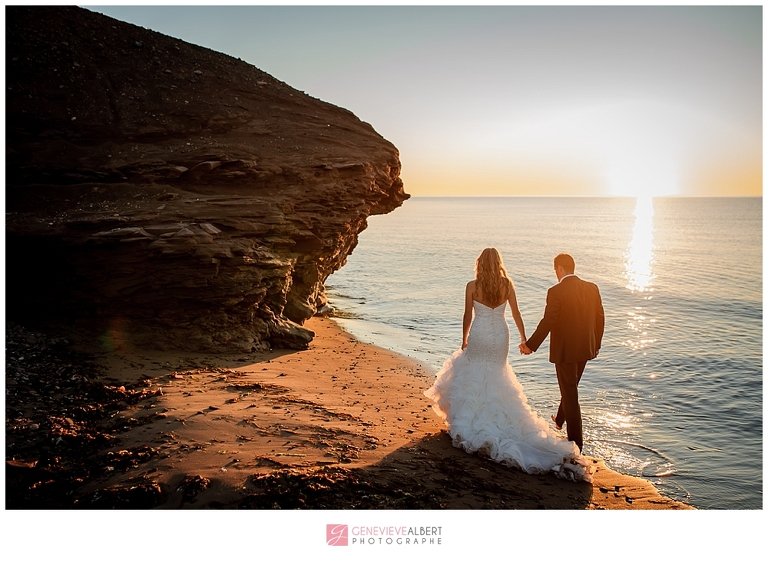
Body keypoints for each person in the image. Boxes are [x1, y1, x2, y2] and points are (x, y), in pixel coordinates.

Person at [424, 248, 592, 482]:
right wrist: (523, 339)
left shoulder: (472, 286)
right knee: (497, 373)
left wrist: (463, 339)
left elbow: (467, 315)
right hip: (501, 335)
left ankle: (472, 416)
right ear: (499, 263)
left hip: (481, 333)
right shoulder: (507, 285)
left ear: (480, 263)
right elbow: (515, 313)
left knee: (474, 370)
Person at [521, 253, 605, 454]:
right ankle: (559, 420)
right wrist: (596, 344)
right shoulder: (591, 288)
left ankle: (576, 445)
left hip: (566, 351)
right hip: (586, 348)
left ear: (559, 269)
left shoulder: (555, 291)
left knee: (570, 394)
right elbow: (600, 318)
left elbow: (549, 321)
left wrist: (530, 345)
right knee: (571, 387)